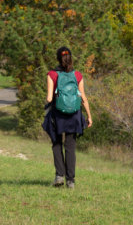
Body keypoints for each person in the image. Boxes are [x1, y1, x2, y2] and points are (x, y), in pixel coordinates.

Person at [42, 46, 92, 189]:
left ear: (58, 58)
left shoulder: (52, 74)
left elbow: (49, 98)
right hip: (74, 115)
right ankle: (71, 181)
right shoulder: (77, 75)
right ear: (71, 58)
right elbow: (83, 97)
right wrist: (89, 116)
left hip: (58, 115)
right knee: (70, 146)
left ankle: (59, 176)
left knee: (57, 144)